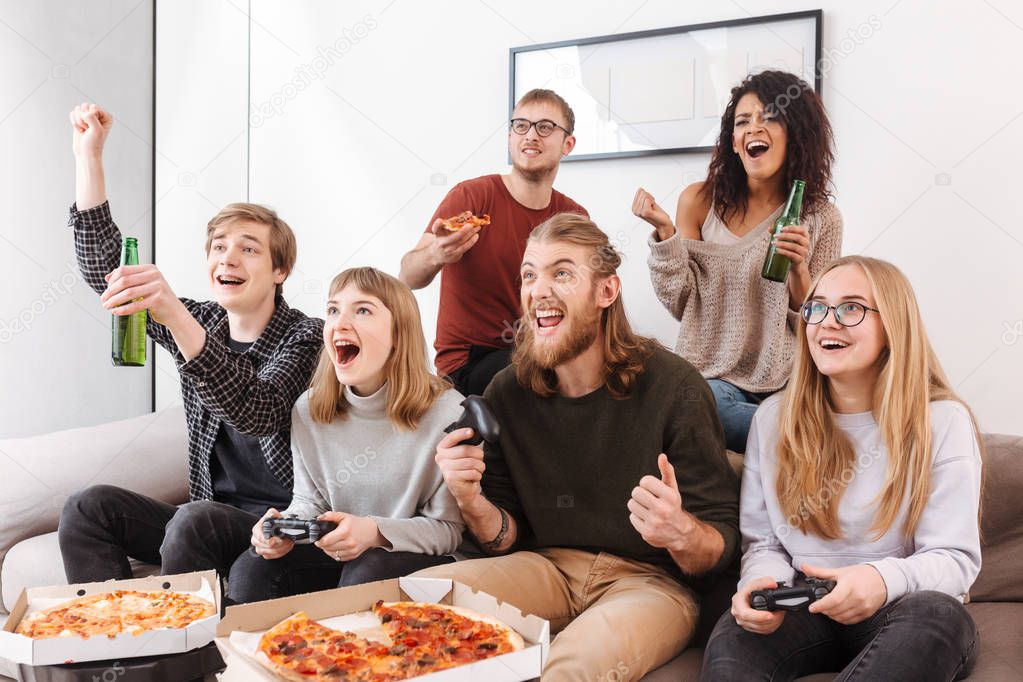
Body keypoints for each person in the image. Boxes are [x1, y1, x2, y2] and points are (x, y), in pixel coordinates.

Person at [415, 213, 740, 679]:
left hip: (650, 585)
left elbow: (717, 548)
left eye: (561, 273)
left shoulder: (674, 387)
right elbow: (502, 538)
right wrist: (469, 496)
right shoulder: (507, 391)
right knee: (423, 600)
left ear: (606, 292)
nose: (538, 290)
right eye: (529, 275)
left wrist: (680, 531)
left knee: (571, 666)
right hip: (544, 568)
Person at [58, 103, 322, 582]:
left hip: (281, 527)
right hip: (207, 517)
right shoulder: (202, 321)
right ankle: (107, 634)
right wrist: (89, 156)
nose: (229, 257)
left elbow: (256, 410)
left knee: (192, 517)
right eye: (219, 246)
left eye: (249, 247)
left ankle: (169, 648)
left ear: (280, 271)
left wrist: (174, 315)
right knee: (87, 506)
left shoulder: (307, 337)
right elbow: (106, 273)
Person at [700, 255, 983, 681]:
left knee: (938, 613)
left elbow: (955, 559)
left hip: (905, 605)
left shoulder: (942, 421)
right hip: (805, 604)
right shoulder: (773, 420)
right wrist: (760, 585)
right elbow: (765, 546)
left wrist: (878, 580)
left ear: (893, 328)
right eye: (816, 307)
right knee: (732, 635)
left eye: (851, 308)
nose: (826, 321)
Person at [634, 70, 843, 453]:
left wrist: (799, 268)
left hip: (785, 378)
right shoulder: (698, 201)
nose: (752, 129)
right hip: (712, 377)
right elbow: (682, 302)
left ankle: (800, 433)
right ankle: (812, 441)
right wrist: (666, 236)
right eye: (743, 121)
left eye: (768, 119)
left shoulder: (820, 217)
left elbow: (821, 321)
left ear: (795, 133)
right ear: (732, 141)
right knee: (706, 405)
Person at [228, 268, 465, 602]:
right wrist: (287, 526)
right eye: (333, 310)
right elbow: (310, 502)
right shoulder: (309, 408)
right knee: (252, 567)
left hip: (411, 560)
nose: (339, 323)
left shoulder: (448, 413)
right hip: (340, 556)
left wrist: (374, 532)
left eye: (363, 310)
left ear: (399, 333)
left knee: (366, 570)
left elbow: (448, 531)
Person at [399, 88, 587, 397]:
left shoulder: (574, 216)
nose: (531, 136)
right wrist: (437, 252)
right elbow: (408, 276)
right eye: (521, 125)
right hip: (470, 362)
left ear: (568, 144)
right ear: (511, 136)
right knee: (540, 374)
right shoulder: (472, 197)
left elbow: (583, 297)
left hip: (544, 349)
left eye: (545, 127)